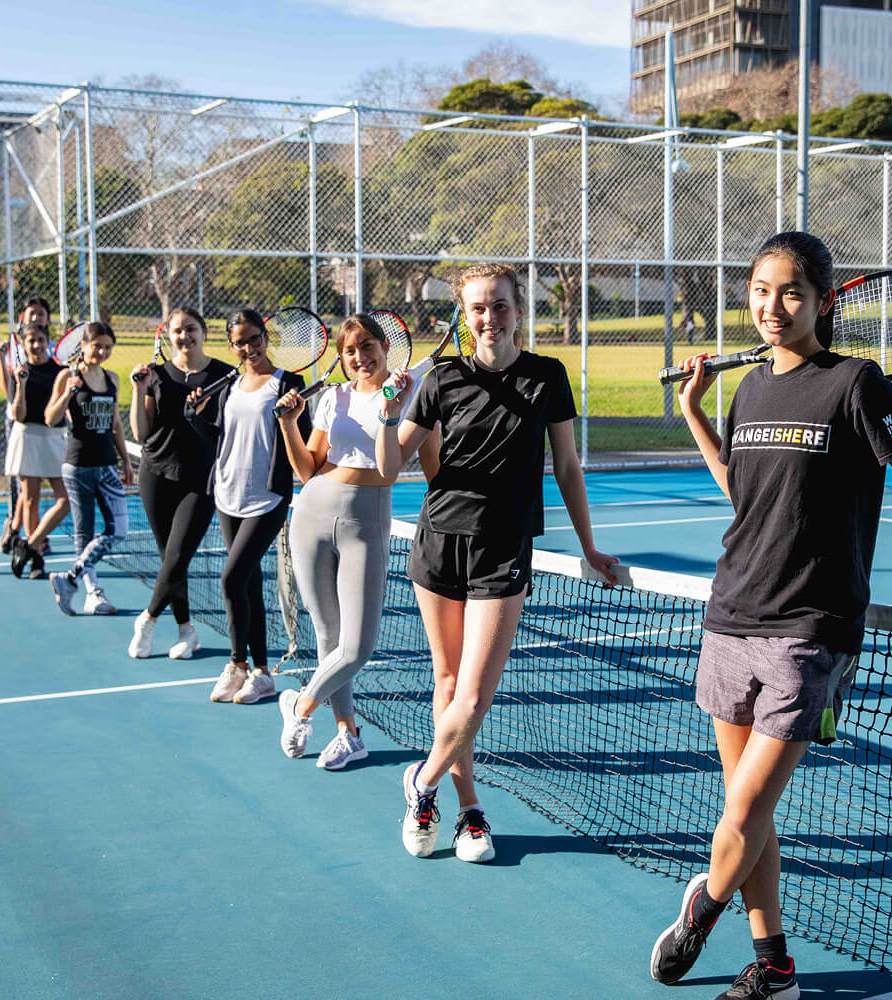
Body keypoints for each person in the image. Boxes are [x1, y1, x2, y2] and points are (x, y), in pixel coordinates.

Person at [648, 232, 892, 1000]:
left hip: (810, 632)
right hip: (731, 615)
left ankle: (703, 908)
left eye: (791, 291)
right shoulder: (750, 388)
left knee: (747, 811)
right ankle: (774, 969)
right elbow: (744, 491)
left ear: (825, 301)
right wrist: (695, 414)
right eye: (760, 289)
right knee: (746, 815)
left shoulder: (857, 384)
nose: (772, 306)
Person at [377, 263, 619, 864]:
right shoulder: (439, 379)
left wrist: (588, 545)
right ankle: (469, 810)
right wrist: (389, 408)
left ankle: (421, 781)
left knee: (476, 695)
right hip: (438, 542)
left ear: (519, 311)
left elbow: (565, 467)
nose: (490, 318)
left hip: (505, 545)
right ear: (465, 314)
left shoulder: (548, 376)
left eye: (501, 306)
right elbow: (388, 468)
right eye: (479, 308)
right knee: (449, 682)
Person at [274, 314, 441, 770]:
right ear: (342, 358)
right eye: (350, 351)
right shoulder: (333, 398)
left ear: (386, 346)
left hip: (365, 523)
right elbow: (308, 469)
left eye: (367, 346)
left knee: (357, 647)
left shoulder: (415, 397)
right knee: (328, 636)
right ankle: (349, 734)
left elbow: (424, 470)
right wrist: (290, 424)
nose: (360, 357)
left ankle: (301, 706)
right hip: (310, 513)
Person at [185, 310, 311, 705]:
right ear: (232, 345)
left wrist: (293, 413)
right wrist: (195, 416)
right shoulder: (230, 385)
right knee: (247, 582)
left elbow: (300, 440)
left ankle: (237, 664)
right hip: (227, 493)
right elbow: (221, 436)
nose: (249, 348)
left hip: (267, 498)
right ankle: (261, 672)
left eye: (255, 339)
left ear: (265, 337)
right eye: (240, 342)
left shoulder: (289, 384)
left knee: (230, 579)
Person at [127, 307, 236, 660]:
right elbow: (141, 431)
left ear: (203, 332)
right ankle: (186, 630)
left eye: (191, 329)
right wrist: (139, 389)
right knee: (169, 559)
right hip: (155, 474)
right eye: (177, 331)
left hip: (201, 479)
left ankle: (147, 619)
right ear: (167, 335)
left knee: (176, 557)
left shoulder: (225, 375)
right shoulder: (155, 375)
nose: (184, 336)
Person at [37, 321, 134, 616]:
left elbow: (116, 424)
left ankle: (69, 580)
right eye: (97, 346)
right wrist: (67, 393)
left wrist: (126, 460)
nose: (102, 352)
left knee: (119, 530)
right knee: (85, 530)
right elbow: (50, 418)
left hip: (106, 465)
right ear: (84, 346)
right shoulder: (68, 375)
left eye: (107, 347)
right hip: (77, 466)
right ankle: (93, 593)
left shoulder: (112, 379)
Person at [6, 319, 68, 581]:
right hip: (27, 436)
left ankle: (30, 543)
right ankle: (37, 560)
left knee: (65, 500)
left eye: (41, 340)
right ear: (23, 344)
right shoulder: (18, 373)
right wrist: (21, 384)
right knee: (30, 501)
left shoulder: (61, 371)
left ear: (48, 343)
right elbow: (18, 415)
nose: (36, 345)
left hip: (54, 437)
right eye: (31, 341)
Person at [0, 297, 53, 555]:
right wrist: (3, 361)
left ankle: (29, 533)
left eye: (41, 314)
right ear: (23, 317)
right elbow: (9, 390)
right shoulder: (17, 349)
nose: (36, 317)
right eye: (32, 313)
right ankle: (16, 529)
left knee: (40, 489)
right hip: (22, 425)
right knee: (24, 488)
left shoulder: (53, 353)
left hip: (50, 430)